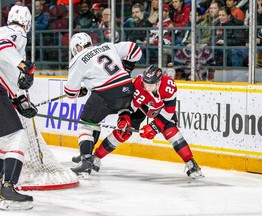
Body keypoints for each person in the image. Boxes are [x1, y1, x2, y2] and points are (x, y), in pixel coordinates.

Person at [91, 65, 204, 178]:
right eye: (145, 83)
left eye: (150, 85)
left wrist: (155, 127)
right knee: (123, 132)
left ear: (159, 82)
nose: (146, 87)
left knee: (171, 131)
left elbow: (169, 111)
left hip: (160, 109)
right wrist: (124, 118)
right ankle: (95, 157)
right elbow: (127, 106)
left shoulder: (169, 86)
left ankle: (191, 163)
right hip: (142, 107)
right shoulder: (138, 85)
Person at [65, 32, 142, 175]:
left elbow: (70, 92)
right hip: (127, 90)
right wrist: (127, 69)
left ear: (77, 47)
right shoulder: (107, 46)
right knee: (95, 121)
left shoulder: (78, 59)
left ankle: (86, 160)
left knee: (86, 124)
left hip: (106, 94)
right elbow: (135, 50)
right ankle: (86, 153)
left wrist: (79, 91)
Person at [0, 5, 38, 210]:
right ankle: (7, 188)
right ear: (27, 22)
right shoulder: (16, 33)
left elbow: (7, 73)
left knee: (5, 139)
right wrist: (24, 66)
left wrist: (19, 100)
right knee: (17, 136)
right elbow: (3, 47)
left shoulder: (7, 32)